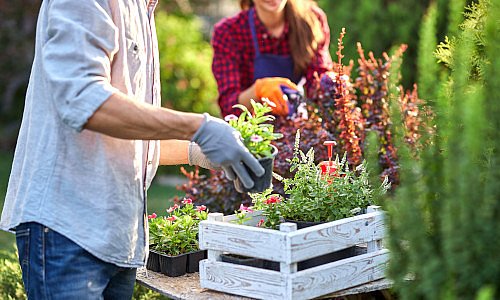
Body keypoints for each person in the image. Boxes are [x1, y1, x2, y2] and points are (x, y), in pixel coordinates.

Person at [0, 1, 264, 299]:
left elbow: (125, 134)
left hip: (117, 239)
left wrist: (197, 150)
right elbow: (83, 100)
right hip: (68, 232)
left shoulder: (141, 9)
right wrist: (197, 127)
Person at [211, 0, 334, 117]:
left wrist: (331, 85)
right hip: (253, 130)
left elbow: (317, 81)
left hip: (296, 123)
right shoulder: (228, 32)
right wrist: (258, 90)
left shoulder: (311, 19)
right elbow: (229, 106)